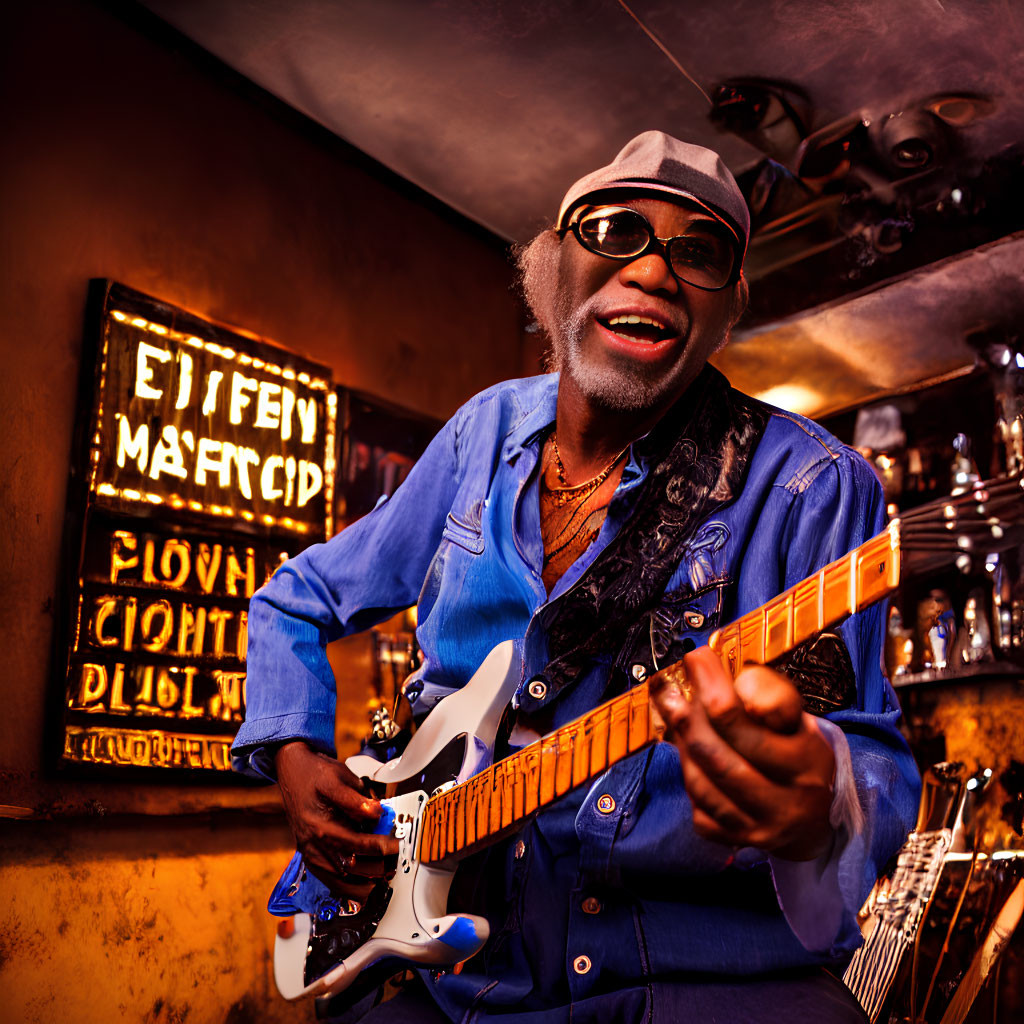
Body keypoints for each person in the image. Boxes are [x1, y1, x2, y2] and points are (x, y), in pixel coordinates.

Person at [233, 131, 921, 1023]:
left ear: (728, 307)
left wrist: (818, 802)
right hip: (451, 975)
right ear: (552, 270)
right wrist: (292, 757)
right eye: (617, 231)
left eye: (699, 253)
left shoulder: (815, 488)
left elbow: (869, 763)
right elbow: (294, 599)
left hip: (696, 978)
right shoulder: (483, 431)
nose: (654, 272)